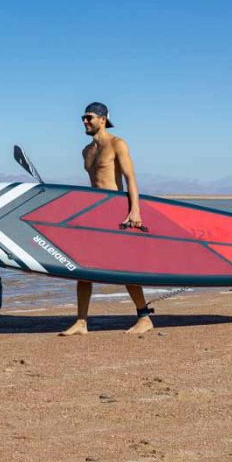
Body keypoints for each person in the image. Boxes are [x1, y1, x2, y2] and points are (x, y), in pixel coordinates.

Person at [59, 102, 154, 337]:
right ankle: (81, 322)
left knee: (123, 266)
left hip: (116, 213)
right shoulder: (86, 151)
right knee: (82, 268)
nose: (85, 121)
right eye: (83, 118)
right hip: (95, 213)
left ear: (103, 119)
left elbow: (130, 178)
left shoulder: (117, 144)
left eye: (89, 117)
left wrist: (136, 211)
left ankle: (144, 317)